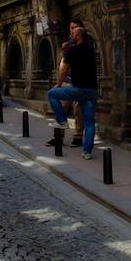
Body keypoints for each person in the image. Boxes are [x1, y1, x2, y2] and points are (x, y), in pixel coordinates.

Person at [48, 23, 98, 159]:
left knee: (51, 94)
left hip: (77, 89)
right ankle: (87, 152)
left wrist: (58, 84)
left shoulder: (72, 50)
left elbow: (64, 69)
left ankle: (62, 120)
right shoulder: (91, 49)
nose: (71, 36)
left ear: (78, 36)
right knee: (89, 122)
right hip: (91, 91)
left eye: (73, 34)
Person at [47, 18, 85, 149]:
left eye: (75, 28)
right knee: (61, 107)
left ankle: (78, 137)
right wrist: (60, 82)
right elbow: (63, 65)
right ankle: (58, 137)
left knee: (79, 110)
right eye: (71, 28)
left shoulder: (85, 43)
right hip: (67, 82)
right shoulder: (67, 45)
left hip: (80, 83)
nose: (73, 30)